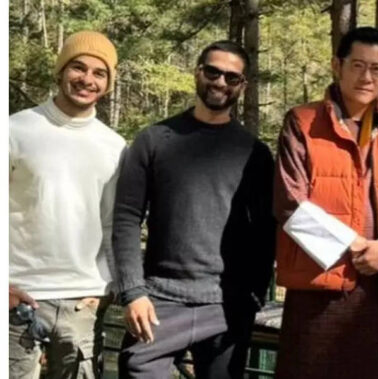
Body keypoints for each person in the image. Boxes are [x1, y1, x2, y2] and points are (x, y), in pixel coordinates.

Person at [112, 40, 276, 378]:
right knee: (135, 369)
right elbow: (127, 218)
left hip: (226, 306)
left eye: (232, 77)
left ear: (242, 87)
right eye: (213, 72)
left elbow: (264, 233)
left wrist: (252, 299)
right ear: (197, 72)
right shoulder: (155, 139)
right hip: (158, 301)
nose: (220, 82)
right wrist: (133, 292)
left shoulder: (254, 153)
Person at [272, 26, 378, 378]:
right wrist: (355, 244)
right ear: (336, 65)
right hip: (318, 284)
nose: (366, 77)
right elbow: (289, 200)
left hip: (377, 286)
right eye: (357, 65)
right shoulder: (303, 121)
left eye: (376, 69)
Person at [9, 30, 125, 379]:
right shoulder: (15, 130)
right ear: (60, 71)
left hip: (83, 303)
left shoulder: (115, 146)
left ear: (107, 84)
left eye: (99, 72)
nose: (87, 79)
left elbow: (112, 224)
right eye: (78, 67)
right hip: (18, 297)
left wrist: (103, 288)